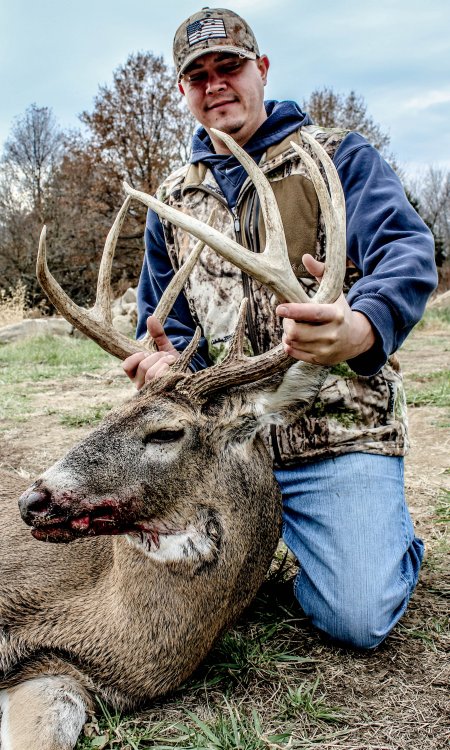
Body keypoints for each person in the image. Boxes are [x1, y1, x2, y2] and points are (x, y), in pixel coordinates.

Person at [122, 7, 437, 649]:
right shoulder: (172, 201)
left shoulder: (338, 156)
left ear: (261, 70)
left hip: (336, 428)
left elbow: (407, 248)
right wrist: (161, 367)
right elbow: (165, 327)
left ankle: (382, 542)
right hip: (230, 444)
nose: (216, 85)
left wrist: (362, 326)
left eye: (229, 67)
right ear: (182, 92)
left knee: (357, 617)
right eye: (198, 75)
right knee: (150, 595)